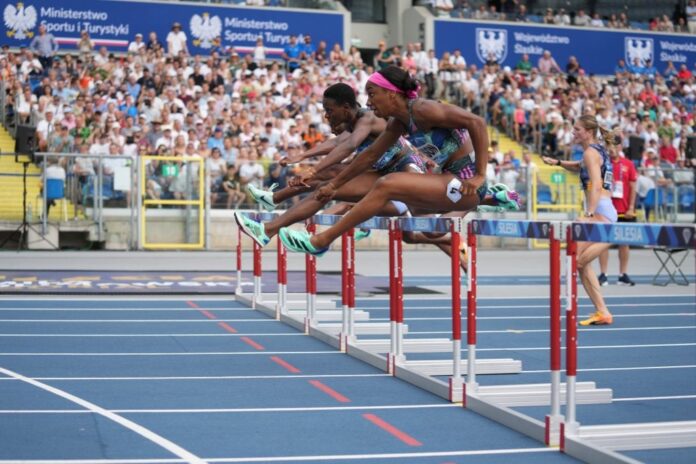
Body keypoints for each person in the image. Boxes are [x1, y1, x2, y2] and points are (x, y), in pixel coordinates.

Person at [275, 66, 490, 256]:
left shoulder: (424, 108)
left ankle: (322, 240)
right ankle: (492, 199)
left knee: (387, 184)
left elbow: (477, 122)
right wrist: (333, 186)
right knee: (430, 230)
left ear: (391, 93)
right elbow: (369, 156)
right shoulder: (398, 123)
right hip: (447, 180)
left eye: (372, 94)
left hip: (467, 184)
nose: (368, 102)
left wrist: (480, 175)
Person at [542, 115, 617, 326]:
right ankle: (602, 312)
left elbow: (595, 183)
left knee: (574, 255)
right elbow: (578, 166)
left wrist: (590, 213)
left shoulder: (591, 153)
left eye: (577, 129)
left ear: (588, 132)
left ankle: (561, 295)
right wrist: (557, 162)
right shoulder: (594, 152)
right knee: (580, 263)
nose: (573, 133)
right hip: (605, 213)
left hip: (602, 214)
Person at [598, 138, 638, 287]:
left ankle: (623, 274)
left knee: (624, 243)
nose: (612, 148)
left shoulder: (628, 164)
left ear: (620, 146)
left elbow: (633, 187)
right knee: (603, 243)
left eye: (615, 145)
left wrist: (631, 207)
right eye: (609, 146)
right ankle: (603, 274)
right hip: (607, 210)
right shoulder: (603, 164)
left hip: (623, 209)